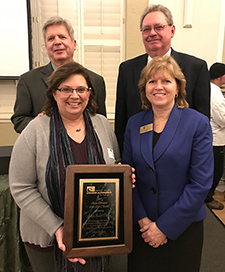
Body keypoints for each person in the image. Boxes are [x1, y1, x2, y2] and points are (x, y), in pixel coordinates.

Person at [9, 62, 123, 272]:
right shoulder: (35, 130)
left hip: (96, 236)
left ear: (89, 93)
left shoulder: (102, 125)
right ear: (54, 93)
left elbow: (113, 167)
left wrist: (124, 177)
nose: (75, 95)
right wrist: (57, 227)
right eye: (66, 89)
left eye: (81, 89)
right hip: (47, 241)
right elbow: (21, 187)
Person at [121, 55, 213, 272]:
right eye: (152, 82)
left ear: (178, 87)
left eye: (166, 81)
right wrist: (142, 220)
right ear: (144, 89)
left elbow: (200, 184)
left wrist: (164, 227)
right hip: (141, 227)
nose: (158, 87)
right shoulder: (134, 123)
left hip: (182, 227)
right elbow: (127, 175)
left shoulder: (197, 123)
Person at [115, 4, 210, 153]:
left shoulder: (196, 68)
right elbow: (122, 121)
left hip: (181, 163)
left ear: (172, 30)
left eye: (158, 27)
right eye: (146, 29)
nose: (152, 33)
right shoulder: (127, 69)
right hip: (138, 162)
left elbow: (203, 122)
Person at [11, 16, 106, 133]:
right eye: (51, 39)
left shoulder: (96, 81)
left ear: (74, 44)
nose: (57, 42)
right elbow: (19, 119)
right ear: (46, 47)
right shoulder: (28, 81)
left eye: (62, 37)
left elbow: (100, 122)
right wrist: (37, 126)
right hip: (44, 147)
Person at [205, 62, 225, 210]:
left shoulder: (208, 89)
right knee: (215, 171)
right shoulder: (216, 94)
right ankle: (208, 198)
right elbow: (223, 118)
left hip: (212, 139)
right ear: (222, 77)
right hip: (216, 140)